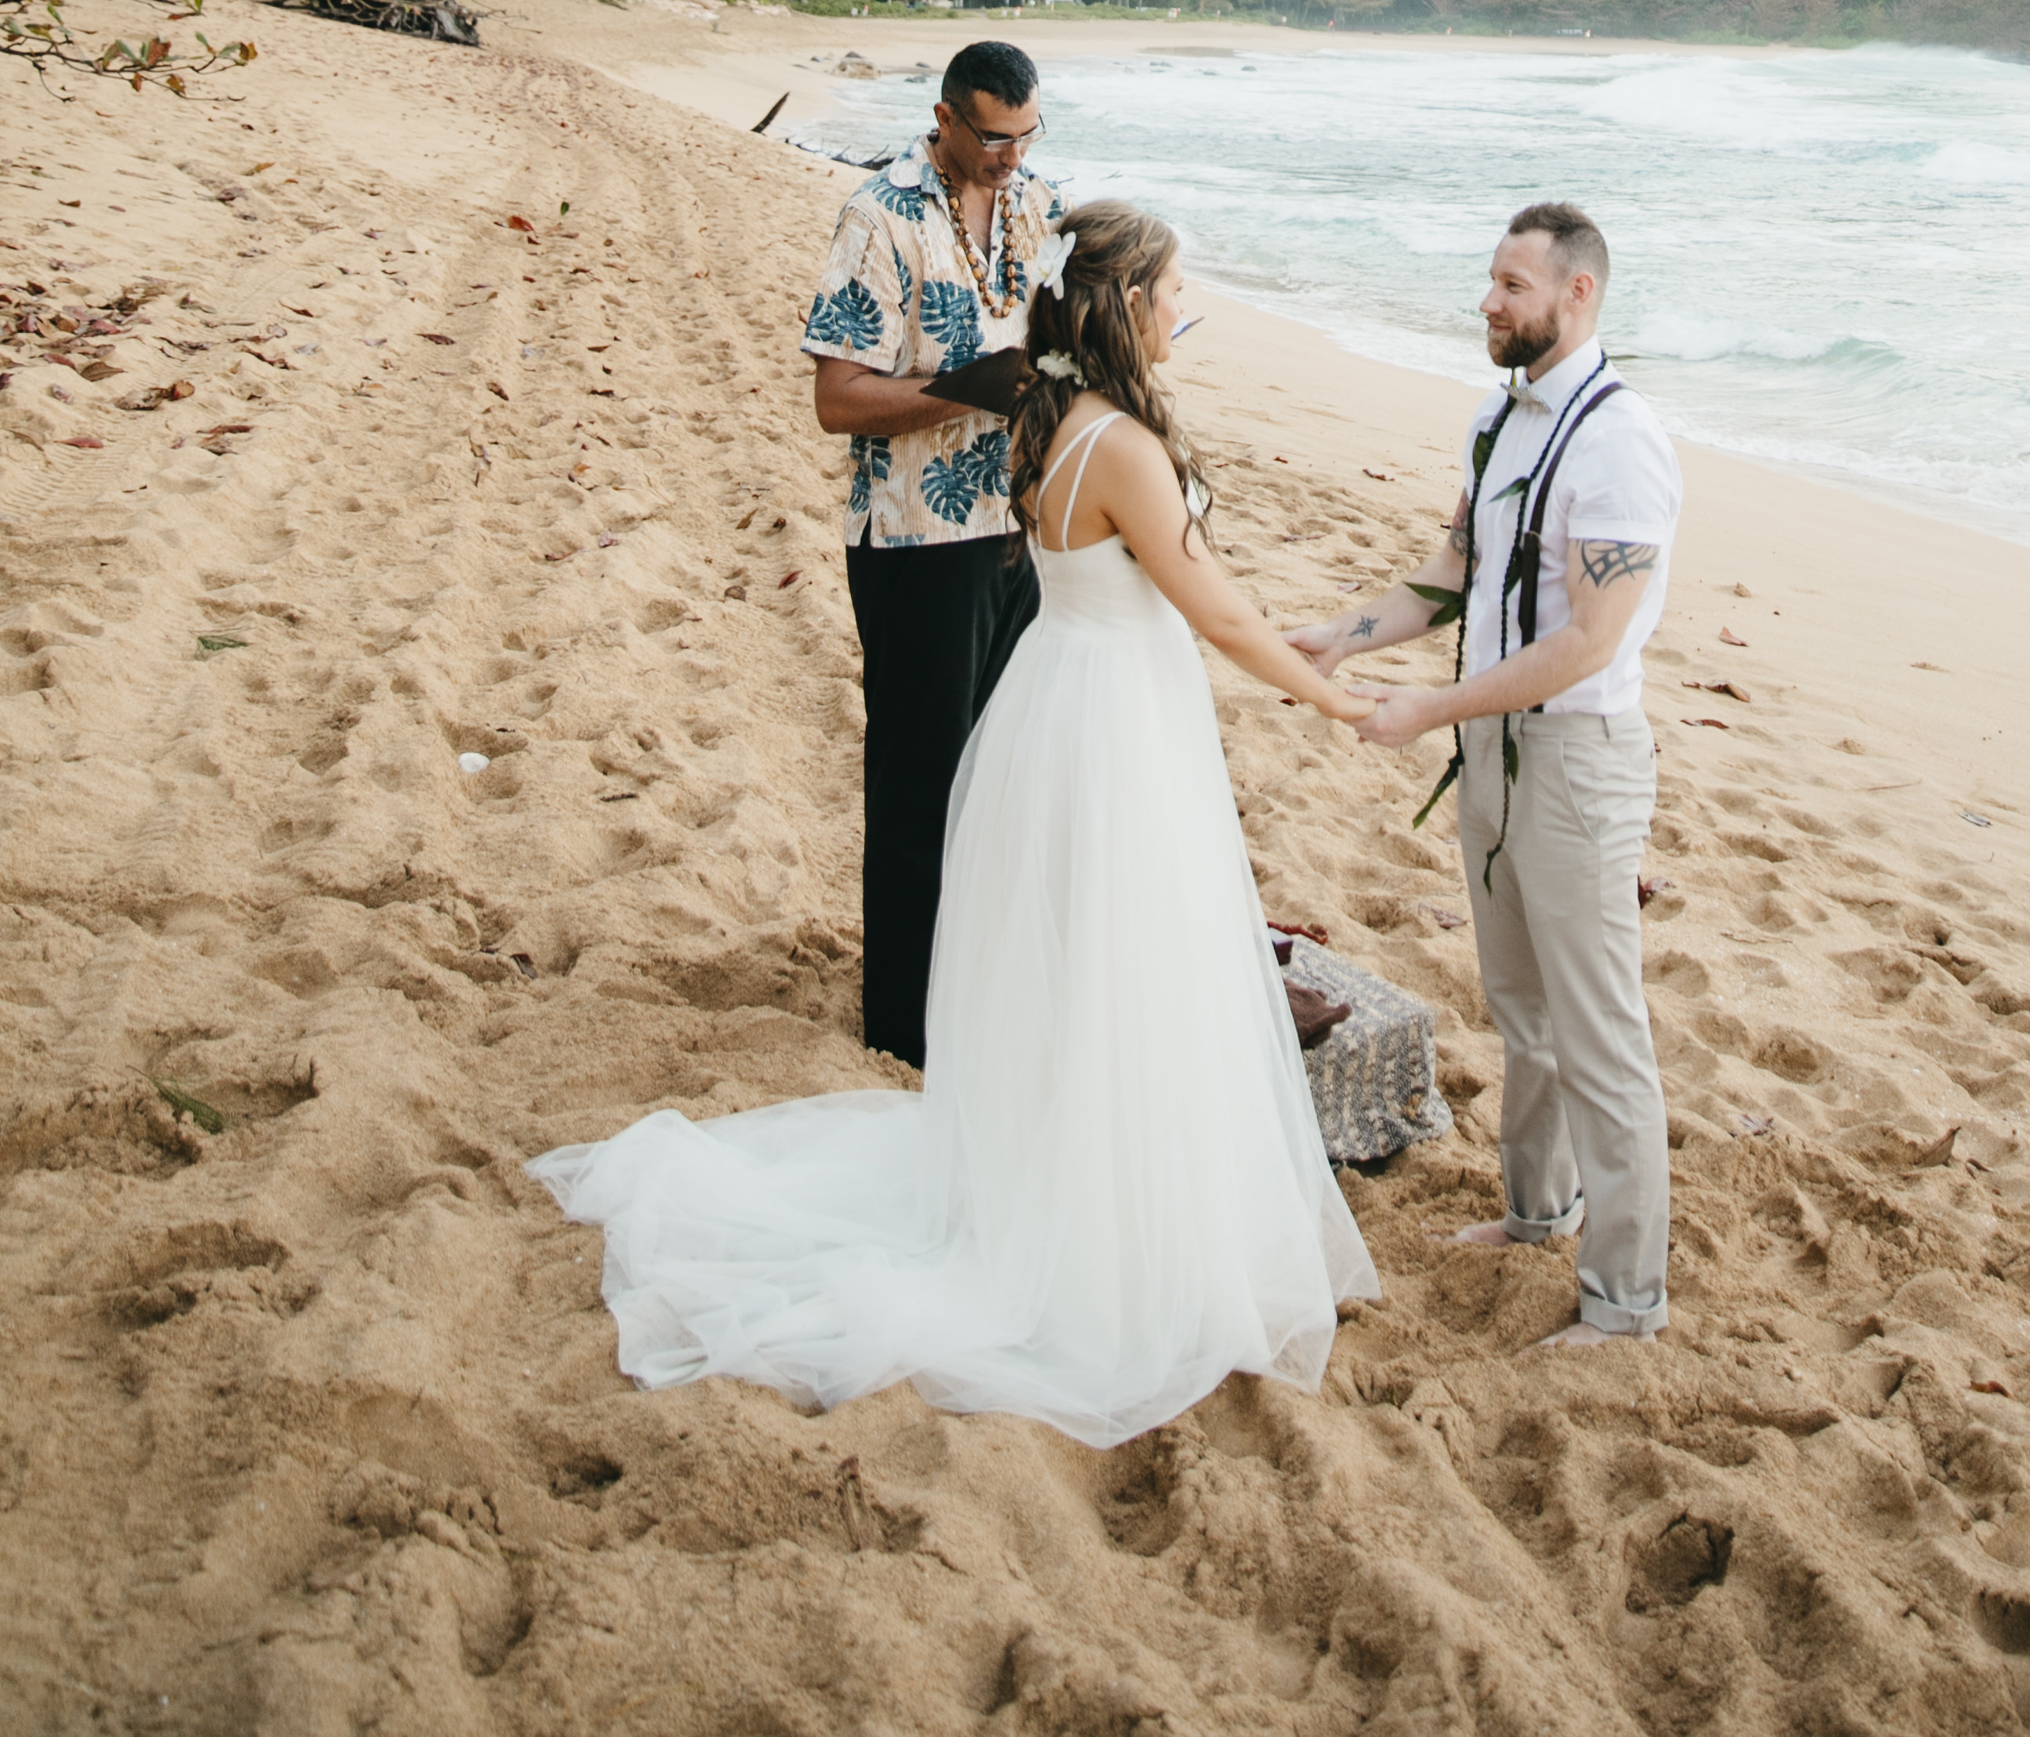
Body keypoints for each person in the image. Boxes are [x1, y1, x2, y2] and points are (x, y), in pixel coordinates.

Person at [530, 200, 1380, 1446]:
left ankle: (1067, 1177)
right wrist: (1336, 697)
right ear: (1130, 305)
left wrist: (1303, 635)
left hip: (1063, 694)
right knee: (1124, 955)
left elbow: (1189, 588)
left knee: (1087, 959)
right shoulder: (1123, 447)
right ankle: (1105, 1219)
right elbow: (1216, 616)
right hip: (1110, 722)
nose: (1185, 310)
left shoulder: (1050, 421)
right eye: (1175, 291)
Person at [1289, 200, 1680, 1346]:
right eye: (1490, 280)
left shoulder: (1617, 441)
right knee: (1519, 1007)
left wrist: (1433, 709)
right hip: (1491, 753)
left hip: (1574, 762)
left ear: (1577, 295)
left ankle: (1624, 1304)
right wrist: (1343, 636)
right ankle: (1534, 1214)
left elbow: (1588, 642)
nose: (1487, 301)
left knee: (1600, 1035)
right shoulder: (1494, 420)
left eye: (1511, 285)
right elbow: (1451, 576)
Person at [801, 38, 1060, 1067]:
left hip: (1019, 529)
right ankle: (904, 1028)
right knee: (920, 781)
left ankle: (984, 985)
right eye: (990, 137)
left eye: (1025, 136)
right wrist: (963, 391)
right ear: (946, 118)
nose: (1007, 156)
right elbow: (835, 401)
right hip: (913, 534)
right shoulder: (880, 214)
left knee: (1007, 771)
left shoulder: (1040, 200)